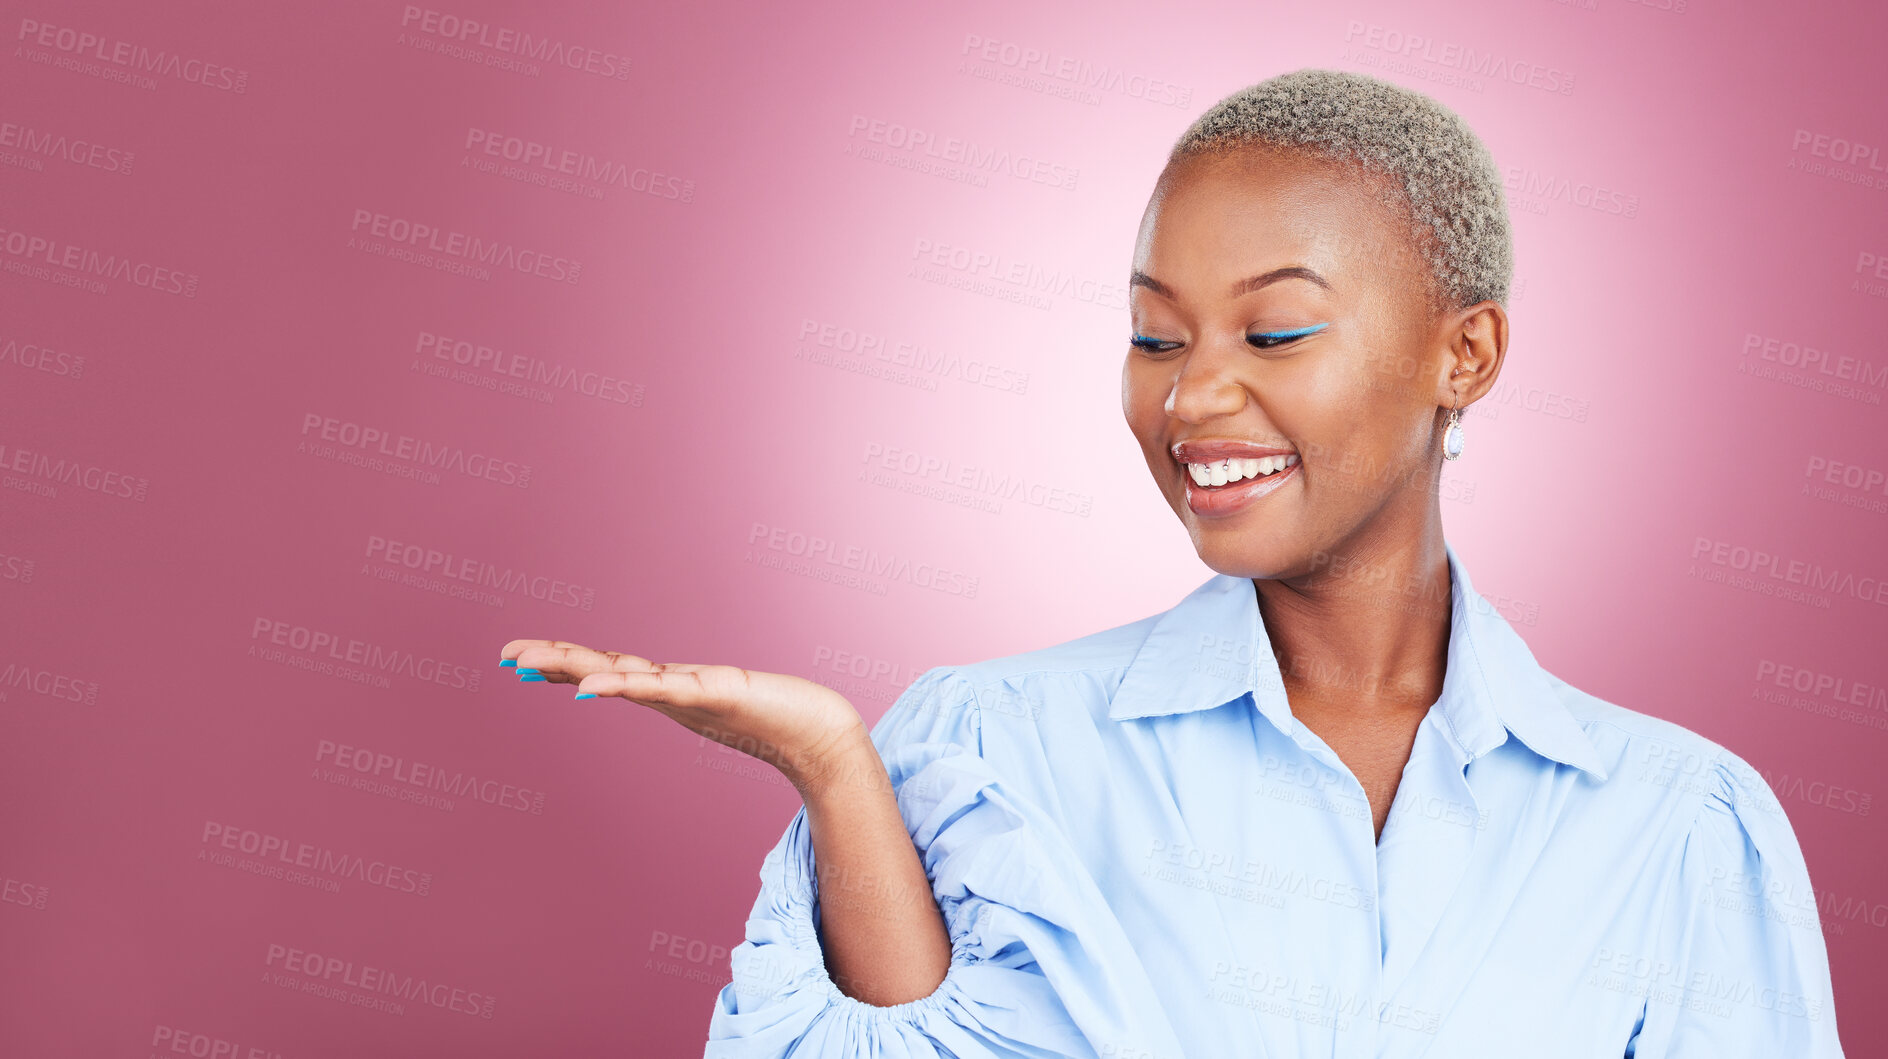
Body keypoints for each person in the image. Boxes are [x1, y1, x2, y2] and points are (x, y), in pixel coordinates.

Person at [501, 68, 1844, 1056]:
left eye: (1272, 337)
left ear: (1466, 356)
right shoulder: (988, 751)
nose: (1194, 399)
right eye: (1155, 339)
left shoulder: (1678, 829)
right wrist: (839, 774)